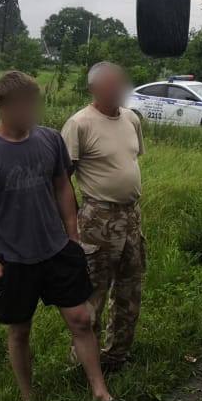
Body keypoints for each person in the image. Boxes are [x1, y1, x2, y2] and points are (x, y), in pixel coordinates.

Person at [0, 71, 134, 401]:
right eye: (22, 105)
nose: (29, 111)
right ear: (2, 106)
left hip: (56, 250)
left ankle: (101, 393)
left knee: (81, 319)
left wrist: (72, 231)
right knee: (20, 330)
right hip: (14, 258)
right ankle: (28, 398)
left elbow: (62, 185)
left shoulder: (50, 140)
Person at [62, 62, 146, 373]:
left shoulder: (131, 119)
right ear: (94, 89)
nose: (119, 90)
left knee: (129, 290)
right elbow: (62, 180)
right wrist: (71, 224)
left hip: (131, 217)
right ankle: (85, 362)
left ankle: (117, 355)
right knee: (93, 293)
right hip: (98, 219)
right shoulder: (79, 124)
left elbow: (131, 161)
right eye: (111, 85)